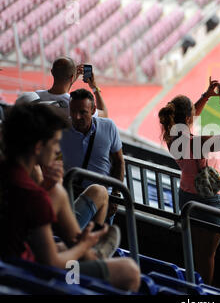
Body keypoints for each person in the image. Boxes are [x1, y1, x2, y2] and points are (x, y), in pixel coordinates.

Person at [0, 102, 140, 292]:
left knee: (62, 246)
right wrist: (83, 245)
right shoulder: (33, 196)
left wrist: (45, 188)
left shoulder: (10, 177)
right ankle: (93, 253)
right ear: (39, 147)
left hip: (12, 263)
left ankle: (93, 254)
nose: (58, 150)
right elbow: (52, 263)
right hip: (39, 275)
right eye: (55, 142)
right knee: (129, 270)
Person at [158, 78, 220, 285]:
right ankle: (203, 295)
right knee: (207, 256)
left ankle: (192, 287)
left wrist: (206, 96)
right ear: (188, 118)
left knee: (195, 253)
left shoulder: (171, 136)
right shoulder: (199, 143)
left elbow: (187, 117)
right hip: (209, 200)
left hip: (186, 196)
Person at [14, 91, 110, 237]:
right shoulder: (31, 168)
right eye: (38, 118)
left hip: (45, 225)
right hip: (45, 232)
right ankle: (89, 246)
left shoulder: (25, 158)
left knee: (98, 191)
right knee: (98, 192)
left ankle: (89, 245)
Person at [60, 89, 124, 229]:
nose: (77, 117)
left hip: (105, 201)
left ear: (94, 109)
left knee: (97, 240)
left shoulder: (108, 127)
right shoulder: (62, 130)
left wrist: (115, 195)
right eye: (73, 111)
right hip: (72, 197)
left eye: (83, 112)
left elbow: (119, 162)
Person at [36, 57, 108, 118]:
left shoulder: (36, 96)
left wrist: (71, 81)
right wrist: (94, 87)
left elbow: (59, 95)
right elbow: (104, 114)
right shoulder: (76, 104)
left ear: (52, 72)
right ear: (72, 77)